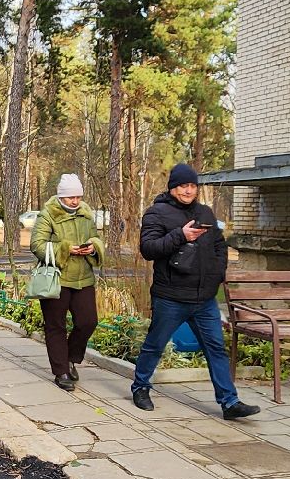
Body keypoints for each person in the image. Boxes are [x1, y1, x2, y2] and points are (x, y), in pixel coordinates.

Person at [131, 163, 261, 421]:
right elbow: (148, 249)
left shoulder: (206, 212)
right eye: (183, 186)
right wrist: (181, 235)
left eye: (192, 186)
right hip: (171, 297)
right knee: (155, 345)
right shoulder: (157, 213)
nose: (188, 190)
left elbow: (219, 247)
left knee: (216, 349)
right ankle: (140, 387)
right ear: (173, 188)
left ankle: (229, 402)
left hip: (204, 299)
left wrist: (217, 275)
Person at [30, 173, 103, 391]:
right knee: (56, 326)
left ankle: (71, 357)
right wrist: (65, 249)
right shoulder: (48, 215)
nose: (75, 201)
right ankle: (61, 370)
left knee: (88, 321)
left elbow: (96, 237)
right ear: (61, 197)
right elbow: (37, 245)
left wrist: (93, 246)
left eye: (78, 196)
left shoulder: (86, 214)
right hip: (56, 278)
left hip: (83, 278)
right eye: (71, 197)